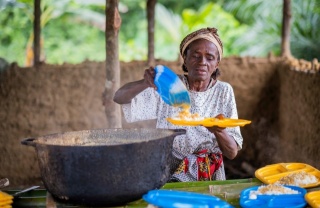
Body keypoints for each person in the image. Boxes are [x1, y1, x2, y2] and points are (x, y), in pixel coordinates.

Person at [113, 27, 243, 182]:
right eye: (195, 56)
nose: (202, 62)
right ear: (185, 59)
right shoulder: (170, 86)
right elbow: (119, 97)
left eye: (210, 58)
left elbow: (232, 152)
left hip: (207, 173)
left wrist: (219, 131)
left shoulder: (223, 91)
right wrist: (145, 82)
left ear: (217, 64)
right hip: (167, 166)